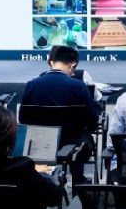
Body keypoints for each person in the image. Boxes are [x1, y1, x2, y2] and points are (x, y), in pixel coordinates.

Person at [21, 45, 99, 185]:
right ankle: (78, 183)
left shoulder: (31, 85)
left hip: (39, 146)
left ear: (52, 62)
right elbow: (93, 121)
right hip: (72, 145)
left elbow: (23, 119)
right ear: (72, 64)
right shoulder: (79, 86)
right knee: (84, 141)